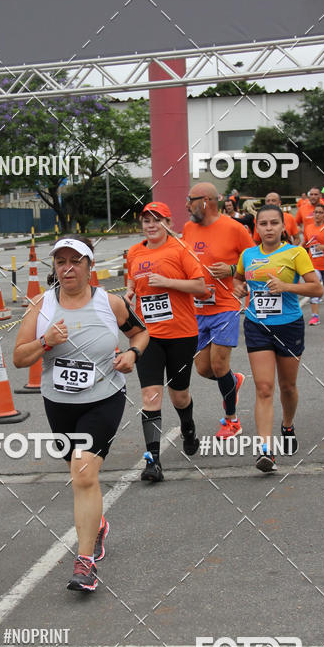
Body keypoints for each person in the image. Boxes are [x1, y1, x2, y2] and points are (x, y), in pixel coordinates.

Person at [13, 235, 149, 593]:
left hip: (104, 396)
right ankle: (97, 524)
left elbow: (140, 333)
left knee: (84, 472)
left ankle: (84, 562)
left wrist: (132, 355)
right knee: (77, 473)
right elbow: (19, 358)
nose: (67, 268)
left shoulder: (111, 303)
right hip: (58, 402)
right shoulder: (41, 306)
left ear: (90, 267)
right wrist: (45, 343)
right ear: (54, 268)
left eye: (75, 261)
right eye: (61, 262)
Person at [234, 205, 323, 471]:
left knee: (287, 387)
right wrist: (238, 287)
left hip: (288, 326)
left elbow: (316, 287)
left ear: (283, 227)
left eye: (274, 223)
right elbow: (238, 280)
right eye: (264, 224)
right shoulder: (248, 254)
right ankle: (265, 449)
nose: (269, 228)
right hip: (256, 325)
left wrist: (286, 286)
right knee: (263, 387)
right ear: (256, 228)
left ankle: (287, 425)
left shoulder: (295, 252)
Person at [125, 202, 206, 483]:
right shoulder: (135, 252)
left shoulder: (181, 249)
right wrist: (129, 294)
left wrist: (168, 282)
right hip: (148, 336)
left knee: (179, 395)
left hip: (182, 333)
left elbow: (202, 287)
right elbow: (133, 282)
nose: (150, 225)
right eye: (146, 220)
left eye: (156, 220)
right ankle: (153, 462)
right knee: (150, 397)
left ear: (168, 223)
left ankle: (188, 427)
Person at [182, 182, 254, 439]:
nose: (186, 204)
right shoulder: (188, 228)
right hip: (198, 308)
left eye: (190, 199)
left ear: (205, 201)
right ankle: (233, 382)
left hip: (225, 305)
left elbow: (256, 260)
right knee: (203, 369)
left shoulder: (234, 228)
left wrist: (234, 271)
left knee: (219, 364)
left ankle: (231, 420)